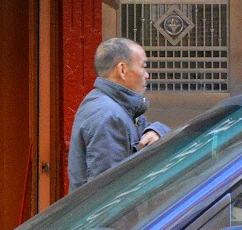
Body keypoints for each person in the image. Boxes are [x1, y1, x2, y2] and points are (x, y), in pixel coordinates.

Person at [67, 37, 169, 192]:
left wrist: (156, 131)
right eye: (143, 67)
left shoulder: (112, 105)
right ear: (122, 70)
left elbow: (142, 132)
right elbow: (108, 192)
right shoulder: (109, 116)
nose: (147, 75)